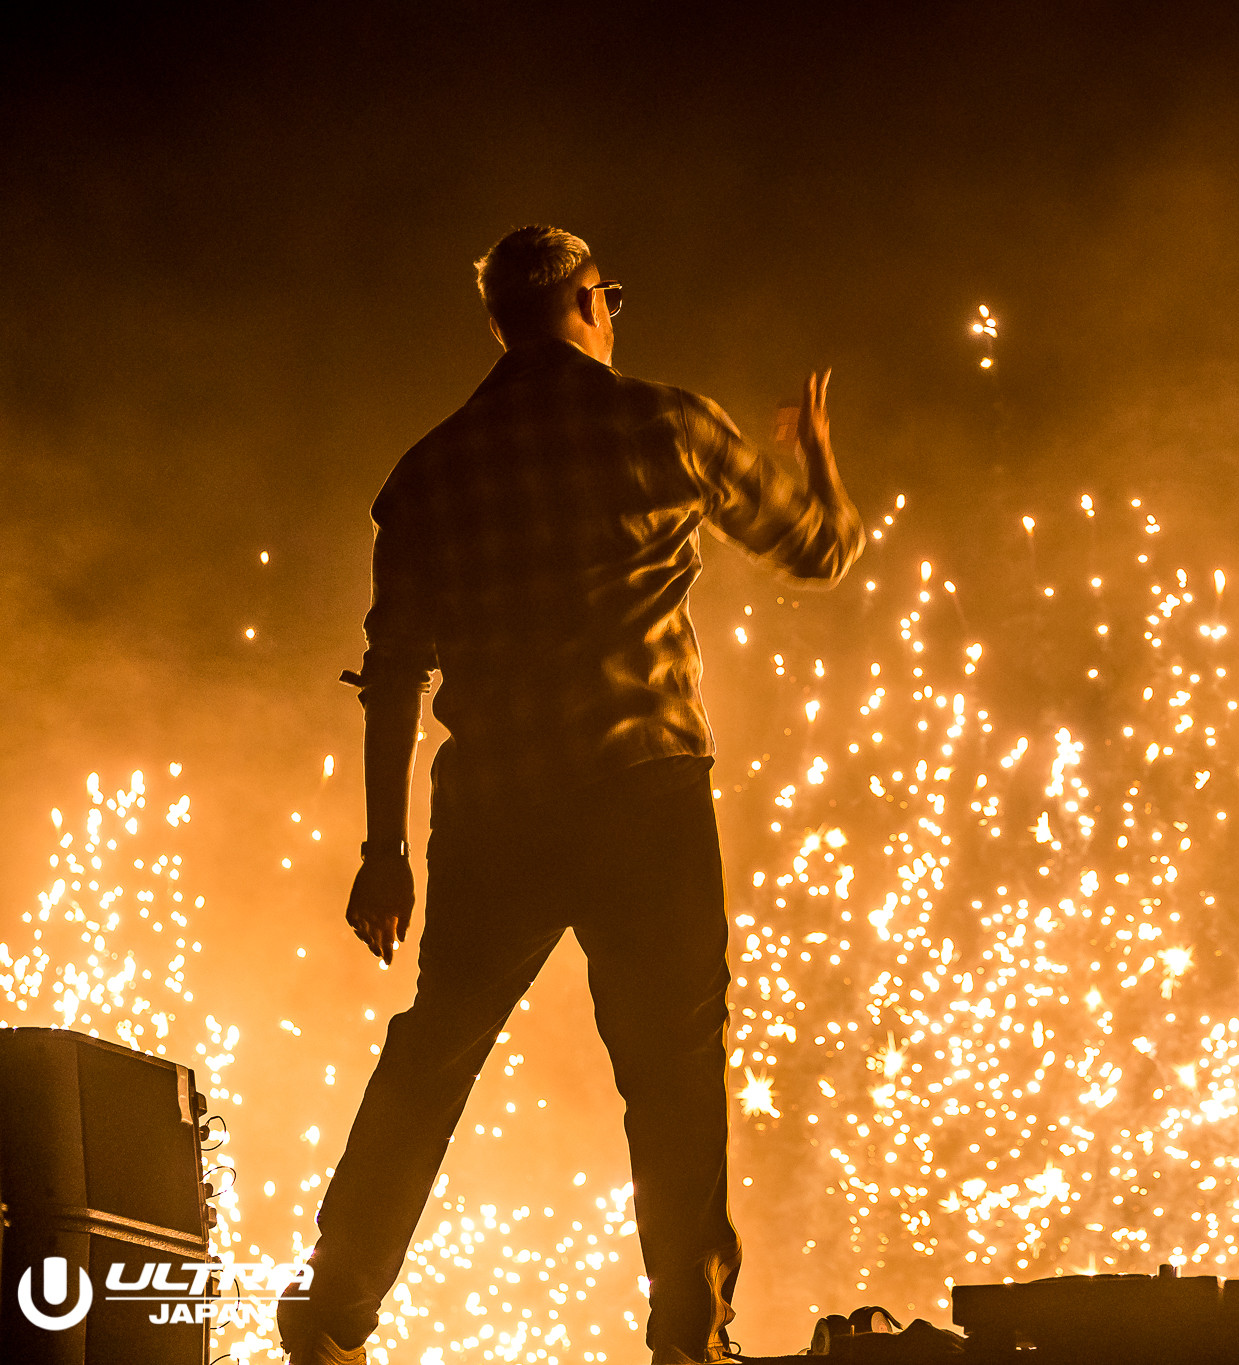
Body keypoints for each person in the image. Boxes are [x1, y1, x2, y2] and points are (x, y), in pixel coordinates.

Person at [278, 225, 862, 1365]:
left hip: (497, 803)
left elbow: (394, 674)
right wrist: (819, 458)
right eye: (612, 298)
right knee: (674, 1073)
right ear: (591, 303)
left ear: (501, 324)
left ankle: (332, 1308)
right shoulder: (665, 424)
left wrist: (384, 850)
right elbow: (818, 549)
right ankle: (687, 1336)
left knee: (435, 1053)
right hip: (644, 792)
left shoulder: (430, 473)